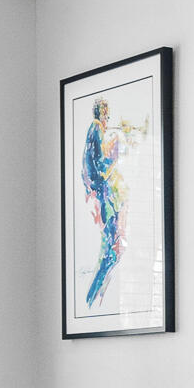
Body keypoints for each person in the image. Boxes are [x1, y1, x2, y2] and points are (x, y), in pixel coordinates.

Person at [81, 96, 128, 309]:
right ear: (102, 114)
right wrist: (114, 153)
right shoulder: (97, 128)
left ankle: (93, 298)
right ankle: (93, 298)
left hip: (99, 194)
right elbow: (100, 167)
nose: (108, 119)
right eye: (107, 115)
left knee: (110, 250)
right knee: (110, 251)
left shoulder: (94, 130)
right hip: (102, 194)